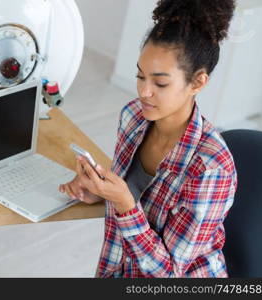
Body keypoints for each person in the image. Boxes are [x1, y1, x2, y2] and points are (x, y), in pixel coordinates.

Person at [59, 0, 238, 278]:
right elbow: (140, 204)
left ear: (198, 83)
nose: (144, 91)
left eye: (160, 83)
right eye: (140, 76)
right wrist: (101, 192)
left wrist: (124, 204)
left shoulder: (211, 169)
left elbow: (169, 273)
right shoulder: (133, 117)